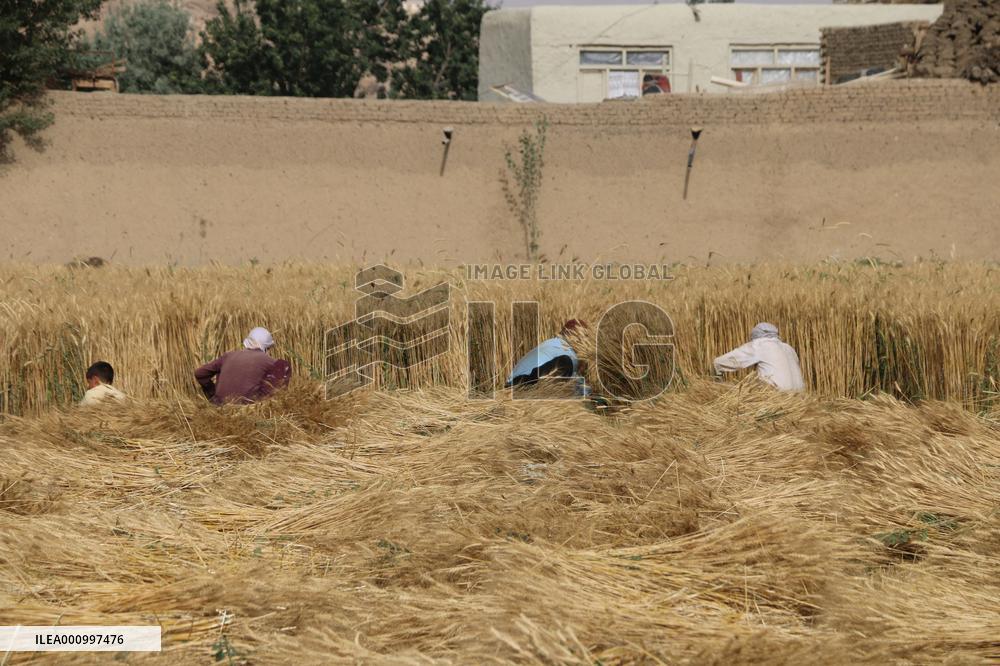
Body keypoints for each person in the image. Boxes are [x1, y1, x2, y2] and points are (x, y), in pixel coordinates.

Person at [195, 327, 291, 405]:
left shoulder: (228, 355)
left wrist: (213, 395)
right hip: (248, 411)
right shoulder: (270, 361)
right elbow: (274, 393)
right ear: (266, 347)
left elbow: (200, 373)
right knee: (283, 367)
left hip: (220, 407)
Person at [713, 322, 804, 392]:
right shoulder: (789, 348)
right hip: (798, 399)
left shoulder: (761, 344)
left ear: (756, 335)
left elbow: (726, 361)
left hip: (777, 398)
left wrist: (716, 368)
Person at [506, 319, 589, 395]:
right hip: (521, 385)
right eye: (585, 337)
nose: (586, 342)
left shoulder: (551, 343)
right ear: (577, 337)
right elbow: (575, 386)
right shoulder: (568, 352)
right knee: (565, 362)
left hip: (512, 384)